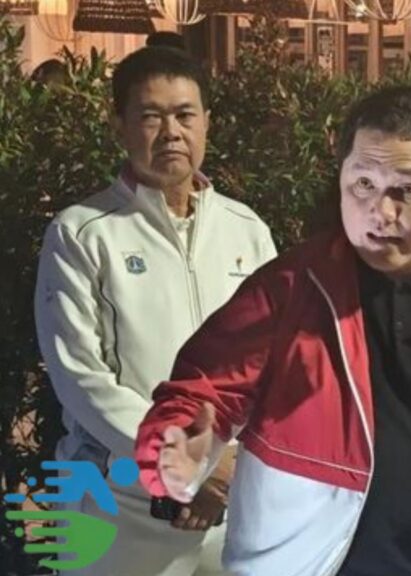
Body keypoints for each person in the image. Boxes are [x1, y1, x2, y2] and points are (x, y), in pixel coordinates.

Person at [133, 86, 411, 576]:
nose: (380, 212)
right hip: (304, 564)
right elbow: (202, 392)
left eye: (405, 189)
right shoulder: (290, 289)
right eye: (363, 184)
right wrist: (177, 447)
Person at [34, 46, 277, 575]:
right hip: (118, 509)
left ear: (207, 122)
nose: (171, 132)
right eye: (151, 116)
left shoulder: (247, 230)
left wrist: (228, 466)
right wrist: (186, 459)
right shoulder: (81, 233)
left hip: (228, 505)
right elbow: (81, 378)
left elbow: (276, 363)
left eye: (185, 115)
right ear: (119, 125)